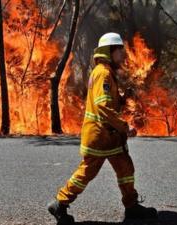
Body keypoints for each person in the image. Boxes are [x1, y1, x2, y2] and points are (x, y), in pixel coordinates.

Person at [47, 32, 157, 224]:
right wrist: (125, 126)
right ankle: (60, 203)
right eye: (119, 51)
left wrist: (122, 98)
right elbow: (103, 107)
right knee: (86, 173)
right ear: (109, 51)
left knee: (125, 168)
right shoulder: (103, 74)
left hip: (109, 137)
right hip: (100, 137)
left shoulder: (105, 72)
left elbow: (108, 102)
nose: (122, 55)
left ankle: (131, 207)